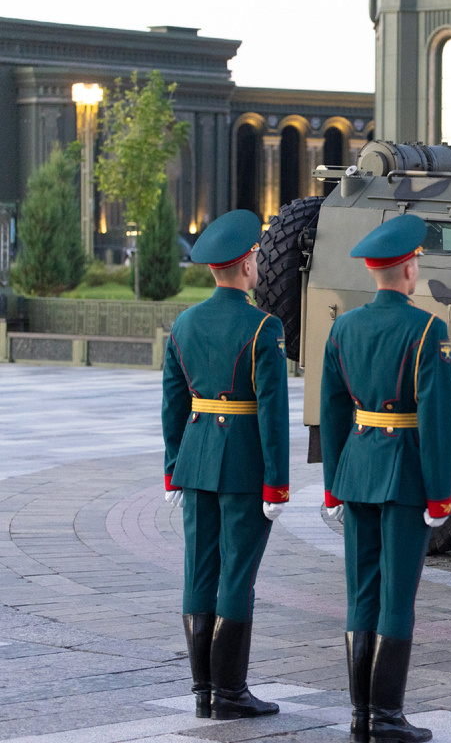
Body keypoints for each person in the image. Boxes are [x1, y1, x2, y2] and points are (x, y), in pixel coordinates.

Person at [320, 214, 451, 743]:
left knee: (362, 594)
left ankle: (360, 714)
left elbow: (332, 413)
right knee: (398, 600)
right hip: (404, 478)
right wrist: (440, 494)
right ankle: (387, 717)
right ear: (408, 268)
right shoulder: (427, 329)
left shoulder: (343, 327)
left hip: (357, 471)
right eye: (417, 259)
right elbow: (437, 419)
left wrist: (334, 481)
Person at [161, 209, 290, 721]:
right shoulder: (264, 327)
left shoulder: (184, 323)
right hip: (242, 464)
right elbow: (272, 413)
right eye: (256, 255)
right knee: (236, 575)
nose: (259, 261)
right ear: (244, 265)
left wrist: (173, 465)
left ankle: (202, 692)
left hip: (195, 462)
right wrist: (276, 484)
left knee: (199, 569)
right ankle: (231, 693)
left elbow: (172, 402)